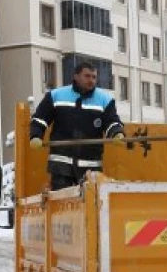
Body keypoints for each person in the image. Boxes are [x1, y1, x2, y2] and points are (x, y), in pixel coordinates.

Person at [29, 62, 126, 190]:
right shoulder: (56, 96)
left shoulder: (105, 100)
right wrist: (36, 136)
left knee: (91, 205)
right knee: (62, 204)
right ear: (76, 76)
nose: (91, 80)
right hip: (61, 163)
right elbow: (40, 119)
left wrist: (116, 133)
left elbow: (112, 121)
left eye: (94, 77)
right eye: (87, 76)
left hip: (91, 166)